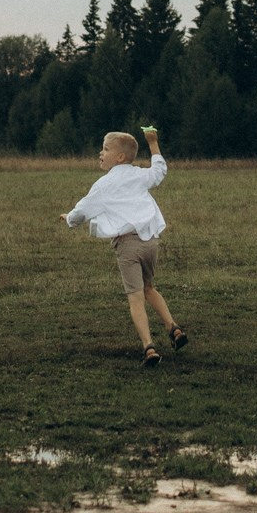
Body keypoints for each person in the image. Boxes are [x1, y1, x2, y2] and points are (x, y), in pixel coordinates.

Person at [62, 124, 188, 368]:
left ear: (119, 157)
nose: (100, 153)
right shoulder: (140, 175)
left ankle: (149, 348)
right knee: (149, 288)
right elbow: (159, 171)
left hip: (127, 245)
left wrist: (68, 219)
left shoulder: (103, 185)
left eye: (105, 149)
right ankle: (174, 329)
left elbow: (82, 212)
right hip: (151, 242)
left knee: (135, 297)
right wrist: (153, 143)